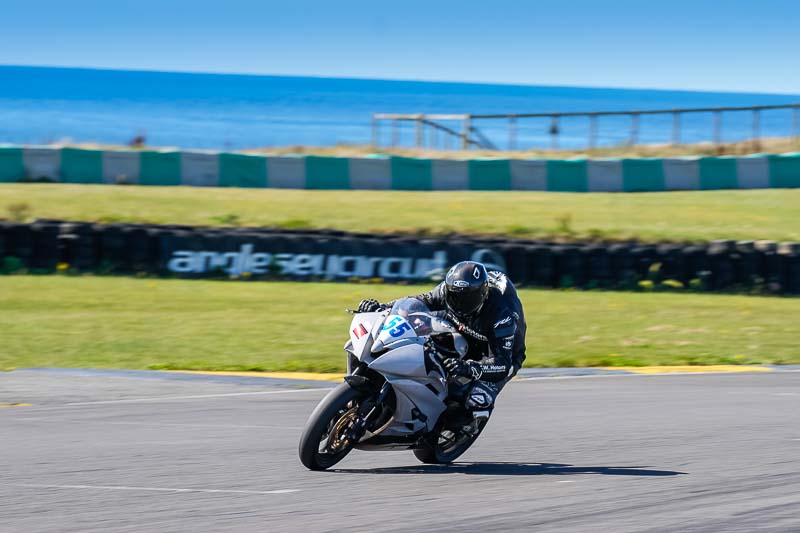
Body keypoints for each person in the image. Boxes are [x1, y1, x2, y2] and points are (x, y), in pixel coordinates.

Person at [356, 260, 526, 424]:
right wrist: (382, 307)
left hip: (496, 351)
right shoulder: (446, 290)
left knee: (475, 401)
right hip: (459, 327)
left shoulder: (502, 316)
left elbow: (502, 364)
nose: (459, 304)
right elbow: (414, 303)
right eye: (454, 297)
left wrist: (470, 368)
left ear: (482, 295)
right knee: (418, 326)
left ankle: (459, 428)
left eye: (467, 300)